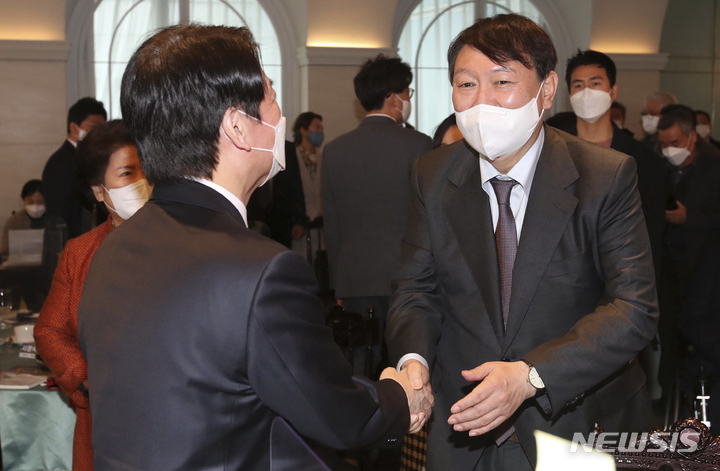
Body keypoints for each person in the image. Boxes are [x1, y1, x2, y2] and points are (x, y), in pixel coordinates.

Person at [77, 25, 432, 471]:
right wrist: (401, 398)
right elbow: (335, 411)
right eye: (271, 97)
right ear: (238, 127)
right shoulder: (260, 270)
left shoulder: (112, 249)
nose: (280, 115)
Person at [386, 14, 658, 470]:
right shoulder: (432, 174)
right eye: (466, 85)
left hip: (573, 423)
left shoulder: (604, 176)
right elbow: (416, 288)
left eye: (502, 82)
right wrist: (413, 360)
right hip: (464, 426)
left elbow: (634, 308)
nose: (482, 102)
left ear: (546, 91)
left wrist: (532, 375)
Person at [34, 120, 150, 471]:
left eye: (146, 170)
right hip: (101, 425)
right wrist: (85, 378)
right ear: (99, 191)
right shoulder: (80, 253)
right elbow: (49, 331)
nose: (141, 182)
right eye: (127, 173)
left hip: (167, 418)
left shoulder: (183, 243)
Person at [322, 54, 433, 375]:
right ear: (392, 97)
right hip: (409, 279)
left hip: (355, 278)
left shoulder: (335, 149)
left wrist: (338, 282)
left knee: (360, 365)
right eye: (408, 92)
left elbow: (332, 225)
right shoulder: (419, 145)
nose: (409, 99)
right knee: (407, 363)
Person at [564, 50, 666, 280]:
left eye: (595, 83)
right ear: (569, 93)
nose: (587, 92)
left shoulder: (644, 160)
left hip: (621, 275)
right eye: (578, 85)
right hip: (565, 277)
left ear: (613, 90)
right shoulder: (551, 151)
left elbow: (652, 232)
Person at [656, 105, 720, 401]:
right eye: (664, 144)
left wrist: (689, 217)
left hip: (703, 268)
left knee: (698, 330)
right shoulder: (659, 168)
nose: (670, 150)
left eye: (676, 143)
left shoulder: (714, 167)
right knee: (668, 332)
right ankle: (670, 393)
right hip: (666, 268)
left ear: (692, 138)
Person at [42, 98, 107, 239]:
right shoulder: (61, 162)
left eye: (102, 128)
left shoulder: (87, 157)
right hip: (71, 240)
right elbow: (63, 213)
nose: (98, 133)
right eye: (93, 127)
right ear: (73, 127)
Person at [292, 111, 324, 256]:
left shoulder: (323, 157)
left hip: (321, 223)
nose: (320, 132)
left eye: (321, 129)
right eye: (316, 128)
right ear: (303, 130)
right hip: (301, 225)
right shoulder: (291, 157)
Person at [1, 180, 45, 258]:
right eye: (31, 202)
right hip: (19, 264)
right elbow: (4, 252)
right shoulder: (14, 221)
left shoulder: (54, 221)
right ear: (24, 201)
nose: (35, 206)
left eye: (40, 202)